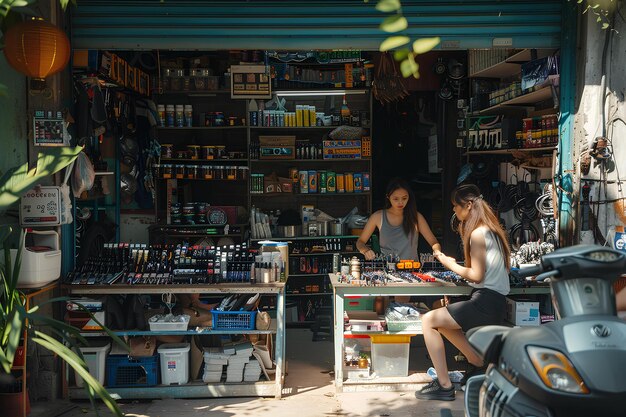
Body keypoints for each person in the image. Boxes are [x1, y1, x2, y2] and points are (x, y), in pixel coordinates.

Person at [415, 184, 511, 401]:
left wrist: (449, 263)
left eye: (456, 207)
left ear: (468, 206)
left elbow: (476, 275)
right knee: (441, 321)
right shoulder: (492, 230)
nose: (454, 212)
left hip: (486, 301)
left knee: (428, 320)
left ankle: (444, 384)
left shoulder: (478, 233)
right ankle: (477, 363)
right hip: (493, 301)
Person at [356, 177, 442, 262]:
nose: (400, 202)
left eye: (404, 198)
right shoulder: (378, 217)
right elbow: (360, 242)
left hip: (412, 270)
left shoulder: (416, 217)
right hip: (387, 269)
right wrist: (366, 251)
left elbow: (434, 242)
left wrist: (437, 251)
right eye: (396, 199)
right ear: (388, 197)